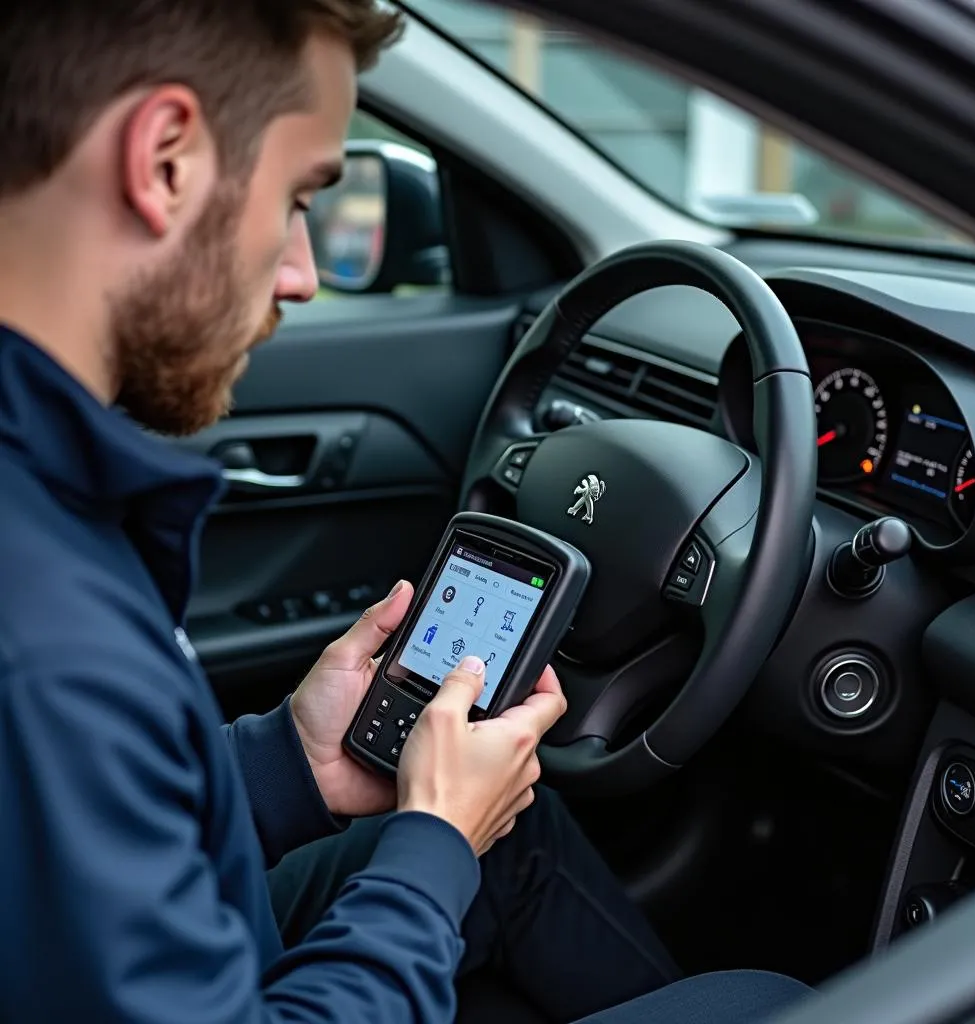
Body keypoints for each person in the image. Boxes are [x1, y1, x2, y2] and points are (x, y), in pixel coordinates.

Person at [0, 2, 812, 1021]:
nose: (299, 272)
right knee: (768, 1001)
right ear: (164, 159)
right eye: (299, 196)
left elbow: (86, 824)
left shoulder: (44, 503)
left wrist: (289, 763)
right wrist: (434, 843)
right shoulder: (47, 639)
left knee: (520, 832)